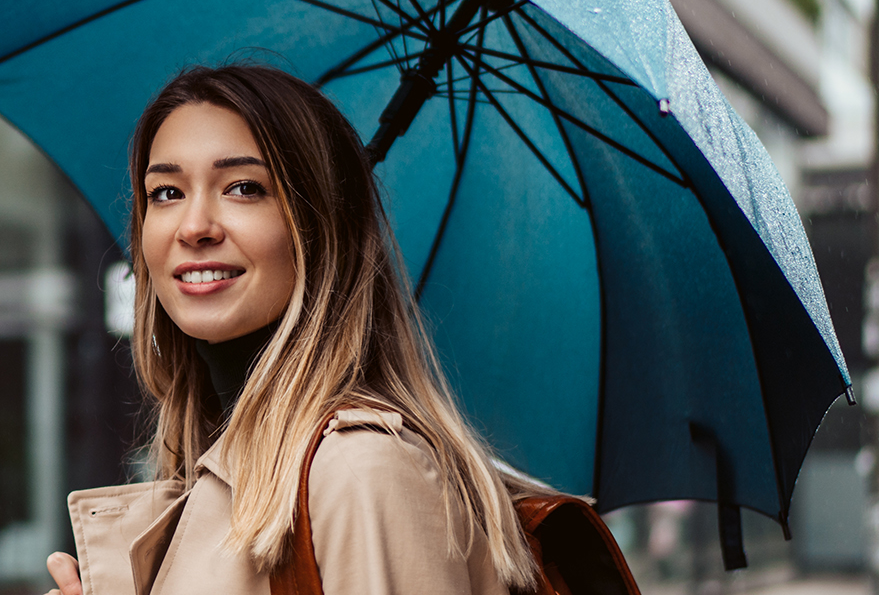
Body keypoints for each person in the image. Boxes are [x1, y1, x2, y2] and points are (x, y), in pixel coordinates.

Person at [44, 64, 559, 595]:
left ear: (319, 231)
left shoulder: (362, 471)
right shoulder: (227, 467)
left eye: (244, 188)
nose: (194, 226)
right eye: (166, 192)